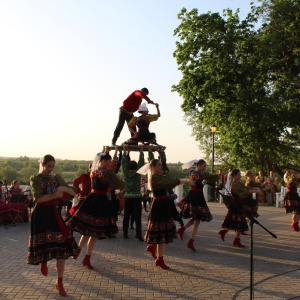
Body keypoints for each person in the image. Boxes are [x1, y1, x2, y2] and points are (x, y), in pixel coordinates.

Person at [27, 154, 79, 297]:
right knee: (45, 243)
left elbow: (73, 193)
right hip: (41, 215)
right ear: (43, 164)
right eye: (49, 166)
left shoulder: (56, 178)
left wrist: (64, 190)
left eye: (53, 166)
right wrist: (57, 193)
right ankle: (43, 259)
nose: (51, 168)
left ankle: (59, 282)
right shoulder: (35, 178)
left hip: (54, 214)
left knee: (61, 249)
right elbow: (39, 198)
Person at [66, 152, 125, 269]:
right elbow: (120, 184)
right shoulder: (107, 172)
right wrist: (118, 180)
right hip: (101, 201)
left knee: (89, 231)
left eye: (109, 162)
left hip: (91, 199)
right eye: (107, 162)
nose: (109, 164)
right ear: (101, 161)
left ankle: (80, 252)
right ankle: (86, 256)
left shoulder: (94, 171)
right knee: (94, 232)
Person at [144, 158, 190, 269]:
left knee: (162, 233)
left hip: (163, 204)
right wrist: (184, 180)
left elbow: (168, 183)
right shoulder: (154, 177)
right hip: (159, 205)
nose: (161, 167)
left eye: (161, 165)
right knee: (162, 232)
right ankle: (159, 258)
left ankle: (157, 253)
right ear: (153, 167)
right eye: (159, 165)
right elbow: (168, 183)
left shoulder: (159, 176)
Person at [178, 159, 219, 251]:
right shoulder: (202, 174)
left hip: (192, 195)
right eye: (204, 166)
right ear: (199, 166)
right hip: (198, 197)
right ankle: (189, 240)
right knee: (197, 219)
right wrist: (217, 175)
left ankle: (185, 234)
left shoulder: (192, 172)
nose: (205, 168)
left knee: (196, 219)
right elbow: (215, 178)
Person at [219, 169, 262, 247]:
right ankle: (233, 238)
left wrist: (254, 189)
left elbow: (246, 189)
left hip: (239, 203)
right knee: (239, 221)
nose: (240, 176)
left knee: (238, 221)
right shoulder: (234, 184)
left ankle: (233, 238)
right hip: (236, 204)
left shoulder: (238, 183)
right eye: (238, 174)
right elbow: (244, 192)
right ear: (234, 175)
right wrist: (255, 191)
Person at [122, 144, 144, 240]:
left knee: (126, 215)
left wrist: (124, 151)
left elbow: (123, 163)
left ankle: (125, 233)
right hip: (137, 197)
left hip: (127, 197)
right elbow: (141, 162)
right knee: (138, 217)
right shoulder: (138, 173)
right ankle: (138, 234)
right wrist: (141, 150)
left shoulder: (126, 173)